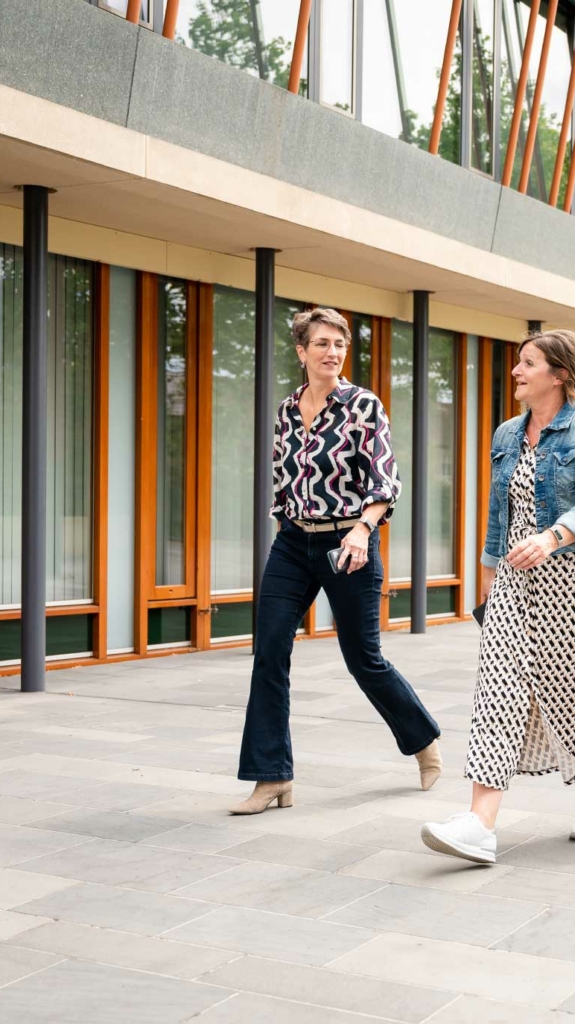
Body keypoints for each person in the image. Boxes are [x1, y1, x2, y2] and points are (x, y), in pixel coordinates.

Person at [421, 329, 575, 863]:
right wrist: (488, 575)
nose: (516, 371)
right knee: (499, 688)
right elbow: (498, 511)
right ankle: (480, 824)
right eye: (518, 362)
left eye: (527, 363)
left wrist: (551, 537)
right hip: (516, 579)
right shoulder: (508, 433)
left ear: (558, 375)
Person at [230, 307, 442, 815]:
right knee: (270, 651)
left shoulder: (363, 406)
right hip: (293, 544)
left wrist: (362, 531)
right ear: (301, 352)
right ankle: (271, 777)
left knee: (362, 658)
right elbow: (286, 475)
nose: (332, 353)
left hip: (349, 544)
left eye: (339, 345)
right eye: (322, 344)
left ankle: (423, 740)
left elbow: (385, 481)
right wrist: (284, 512)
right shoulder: (286, 410)